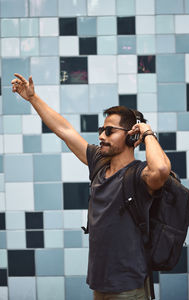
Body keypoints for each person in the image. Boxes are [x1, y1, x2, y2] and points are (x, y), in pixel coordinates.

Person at [11, 73, 171, 300]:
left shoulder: (140, 175)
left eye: (109, 131)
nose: (102, 136)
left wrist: (146, 132)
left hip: (129, 288)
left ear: (129, 137)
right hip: (99, 284)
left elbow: (162, 170)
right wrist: (33, 98)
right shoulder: (99, 161)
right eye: (101, 130)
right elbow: (65, 130)